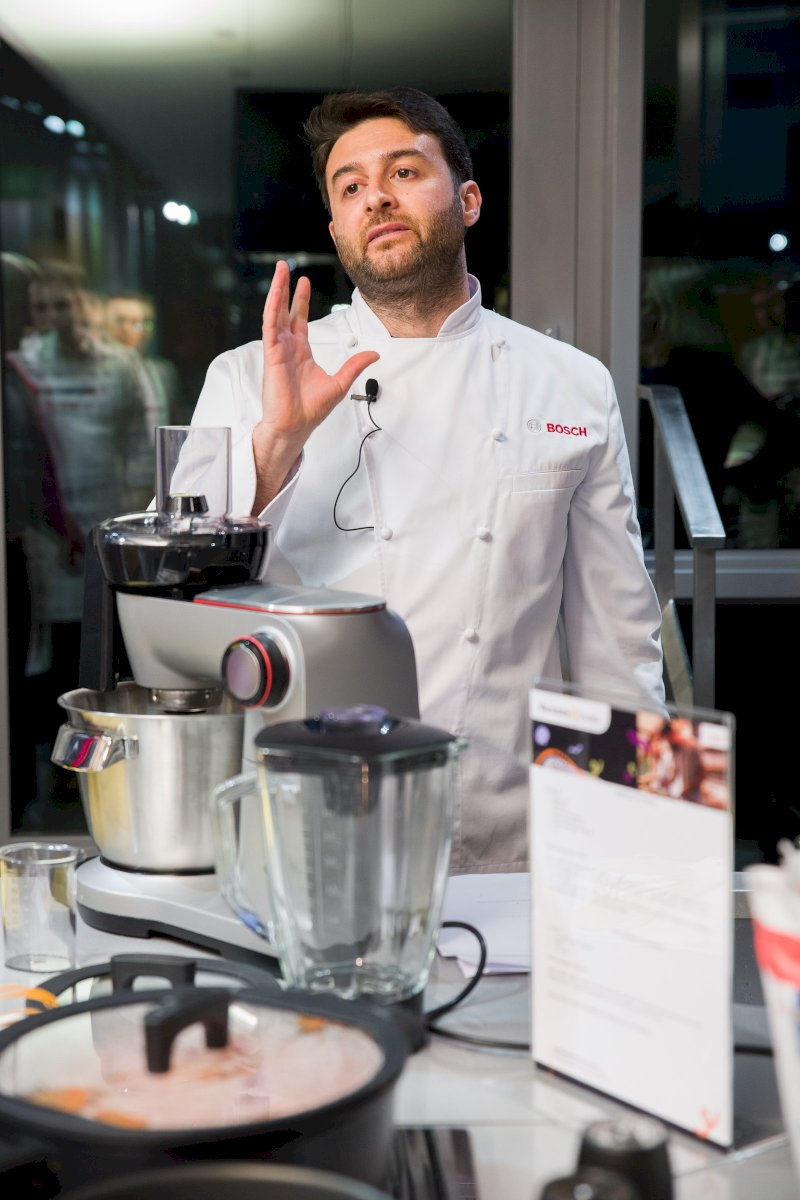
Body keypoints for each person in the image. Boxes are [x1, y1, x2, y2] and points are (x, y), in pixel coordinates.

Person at [189, 88, 665, 873]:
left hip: (507, 833)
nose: (375, 196)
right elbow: (173, 609)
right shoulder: (248, 378)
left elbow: (615, 641)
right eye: (350, 186)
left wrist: (639, 851)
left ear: (468, 201)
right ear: (337, 230)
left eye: (404, 172)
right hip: (308, 825)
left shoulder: (570, 384)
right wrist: (275, 445)